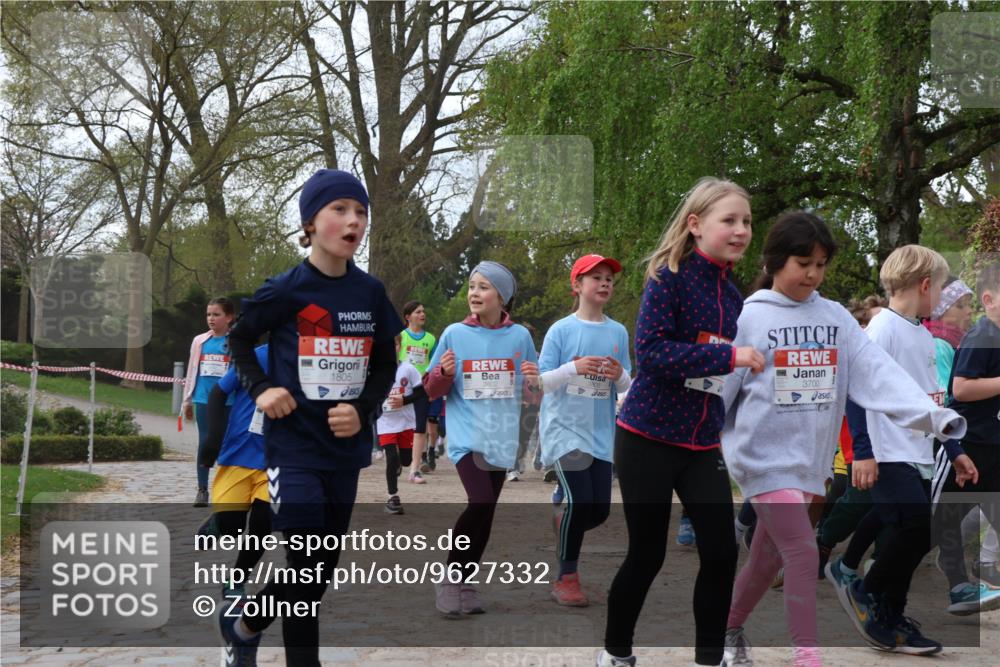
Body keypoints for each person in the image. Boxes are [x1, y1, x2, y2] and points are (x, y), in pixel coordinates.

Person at [718, 213, 969, 666]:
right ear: (776, 261)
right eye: (802, 263)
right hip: (761, 460)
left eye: (821, 264)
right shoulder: (747, 316)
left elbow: (876, 375)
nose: (813, 274)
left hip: (807, 463)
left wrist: (936, 419)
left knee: (765, 561)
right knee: (800, 551)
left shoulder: (834, 317)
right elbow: (721, 390)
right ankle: (808, 658)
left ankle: (728, 629)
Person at [220, 169, 402, 667]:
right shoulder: (285, 289)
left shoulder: (369, 293)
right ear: (310, 222)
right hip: (293, 449)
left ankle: (245, 624)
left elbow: (386, 361)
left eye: (361, 212)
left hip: (343, 453)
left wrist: (363, 408)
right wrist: (262, 388)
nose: (354, 221)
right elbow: (237, 338)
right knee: (304, 565)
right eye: (340, 210)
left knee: (319, 569)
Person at [599, 177, 764, 667]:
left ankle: (709, 659)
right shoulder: (667, 277)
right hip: (646, 437)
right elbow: (650, 355)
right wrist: (729, 357)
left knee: (720, 552)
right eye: (729, 220)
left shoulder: (736, 296)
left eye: (747, 222)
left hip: (701, 445)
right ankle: (615, 654)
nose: (740, 231)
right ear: (696, 225)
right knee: (647, 555)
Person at [827, 245, 975, 655]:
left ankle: (891, 616)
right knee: (917, 525)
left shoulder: (921, 334)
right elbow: (854, 393)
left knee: (915, 529)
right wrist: (863, 452)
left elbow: (931, 404)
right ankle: (868, 593)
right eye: (941, 287)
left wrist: (954, 447)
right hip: (887, 451)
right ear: (925, 285)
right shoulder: (881, 330)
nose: (942, 295)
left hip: (918, 452)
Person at [423, 261, 539, 617]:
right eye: (472, 285)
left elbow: (532, 395)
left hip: (501, 439)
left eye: (484, 286)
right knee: (480, 502)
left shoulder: (520, 337)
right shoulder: (454, 334)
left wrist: (535, 380)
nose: (474, 293)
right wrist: (443, 373)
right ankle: (449, 578)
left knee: (486, 514)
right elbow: (430, 389)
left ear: (502, 297)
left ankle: (467, 584)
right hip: (466, 438)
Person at [537, 254, 631, 606]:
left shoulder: (618, 331)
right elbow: (541, 383)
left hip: (601, 434)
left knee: (599, 511)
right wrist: (573, 367)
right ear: (577, 286)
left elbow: (627, 386)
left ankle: (564, 524)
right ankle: (566, 578)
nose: (605, 283)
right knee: (579, 501)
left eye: (610, 278)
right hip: (564, 431)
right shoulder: (561, 330)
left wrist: (618, 375)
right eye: (597, 277)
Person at [932, 261, 1000, 610]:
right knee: (938, 519)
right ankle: (867, 565)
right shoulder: (984, 335)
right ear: (989, 299)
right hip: (966, 443)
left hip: (994, 443)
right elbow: (961, 388)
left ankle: (963, 582)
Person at [199, 344, 271, 599]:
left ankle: (236, 580)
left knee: (263, 525)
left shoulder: (312, 362)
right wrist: (212, 437)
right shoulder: (257, 355)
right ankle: (219, 524)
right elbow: (219, 392)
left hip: (279, 459)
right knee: (233, 527)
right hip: (241, 450)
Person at [183, 296, 236, 507]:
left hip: (229, 401)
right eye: (208, 314)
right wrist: (187, 400)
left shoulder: (235, 340)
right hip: (204, 400)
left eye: (216, 314)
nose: (211, 319)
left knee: (227, 444)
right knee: (205, 442)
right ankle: (202, 490)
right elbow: (192, 371)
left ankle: (227, 489)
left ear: (229, 317)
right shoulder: (199, 341)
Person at [379, 336, 426, 514]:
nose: (390, 348)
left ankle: (399, 464)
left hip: (406, 421)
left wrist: (404, 400)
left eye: (394, 344)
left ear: (400, 346)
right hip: (385, 421)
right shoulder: (375, 370)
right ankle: (393, 497)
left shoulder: (408, 369)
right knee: (391, 458)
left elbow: (422, 391)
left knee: (405, 461)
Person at [399, 301, 436, 482]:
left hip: (421, 387)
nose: (422, 314)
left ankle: (414, 470)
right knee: (401, 426)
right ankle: (398, 459)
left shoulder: (430, 339)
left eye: (423, 311)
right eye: (417, 312)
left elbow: (434, 364)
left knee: (420, 427)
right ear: (407, 317)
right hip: (402, 387)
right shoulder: (400, 336)